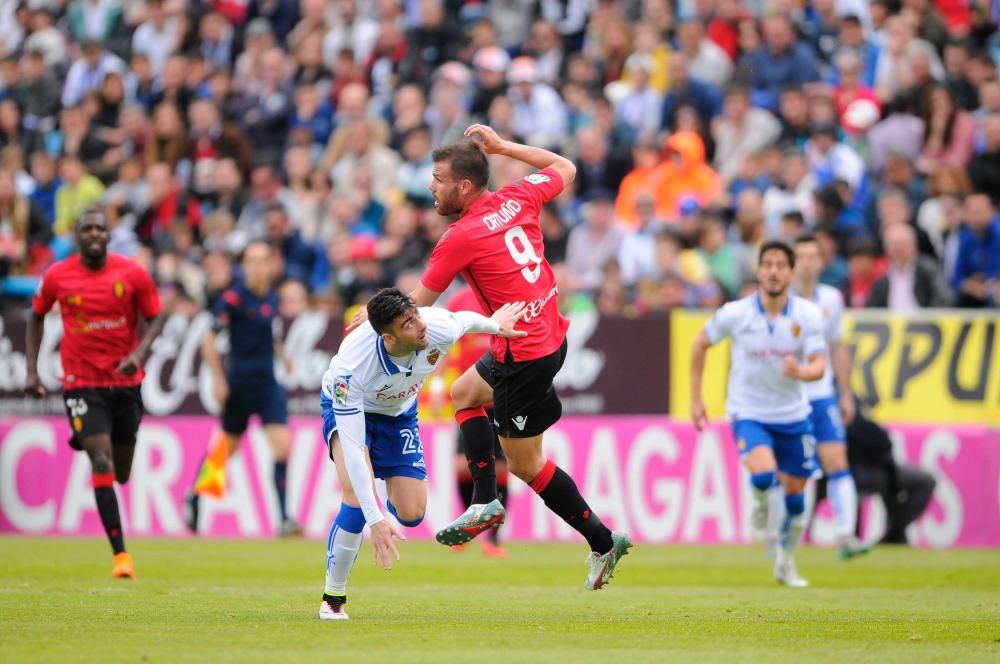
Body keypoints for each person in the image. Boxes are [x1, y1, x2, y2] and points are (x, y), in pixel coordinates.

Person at [348, 125, 631, 591]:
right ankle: (485, 501)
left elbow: (417, 307)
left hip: (526, 354)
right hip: (545, 335)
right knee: (464, 393)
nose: (431, 188)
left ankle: (600, 540)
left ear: (463, 186)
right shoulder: (519, 196)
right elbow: (565, 166)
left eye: (438, 179)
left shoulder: (460, 237)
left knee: (525, 464)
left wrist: (373, 317)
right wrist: (503, 148)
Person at [318, 288, 528, 620]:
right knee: (358, 498)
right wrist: (375, 519)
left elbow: (464, 321)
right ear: (388, 338)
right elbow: (356, 450)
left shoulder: (434, 324)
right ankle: (334, 597)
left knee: (412, 513)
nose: (419, 326)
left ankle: (384, 503)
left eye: (416, 315)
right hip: (349, 410)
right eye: (407, 324)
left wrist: (493, 324)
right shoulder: (351, 367)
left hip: (399, 414)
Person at [24, 208, 164, 578]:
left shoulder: (131, 272)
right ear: (77, 235)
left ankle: (114, 502)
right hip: (81, 382)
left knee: (121, 471)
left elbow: (156, 316)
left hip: (125, 383)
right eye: (87, 229)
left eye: (100, 228)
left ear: (109, 234)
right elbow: (36, 315)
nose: (94, 234)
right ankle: (121, 556)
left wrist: (138, 353)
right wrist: (32, 371)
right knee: (99, 460)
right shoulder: (57, 275)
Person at [690, 240, 826, 588]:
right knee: (764, 476)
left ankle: (786, 562)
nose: (774, 271)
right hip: (748, 412)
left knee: (797, 501)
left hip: (793, 414)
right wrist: (696, 398)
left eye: (782, 265)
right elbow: (700, 343)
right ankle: (761, 504)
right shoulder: (737, 313)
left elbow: (819, 366)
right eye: (768, 264)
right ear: (759, 270)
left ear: (791, 272)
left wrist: (802, 372)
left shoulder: (807, 315)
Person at [184, 241, 301, 537]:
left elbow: (266, 334)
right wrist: (219, 381)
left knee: (282, 447)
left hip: (268, 385)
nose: (259, 266)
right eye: (253, 261)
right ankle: (195, 495)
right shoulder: (233, 299)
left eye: (264, 260)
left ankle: (285, 518)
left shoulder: (271, 297)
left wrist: (284, 358)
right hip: (239, 386)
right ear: (245, 265)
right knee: (226, 451)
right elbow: (207, 342)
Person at [791, 235, 868, 559]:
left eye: (813, 256)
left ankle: (845, 535)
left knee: (838, 461)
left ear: (822, 262)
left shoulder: (833, 299)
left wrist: (845, 393)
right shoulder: (781, 301)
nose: (808, 262)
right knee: (796, 471)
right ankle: (788, 538)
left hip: (822, 395)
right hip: (791, 397)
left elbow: (838, 346)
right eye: (802, 257)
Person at [443, 286, 509, 558]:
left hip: (502, 392)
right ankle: (468, 524)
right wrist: (437, 380)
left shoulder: (506, 293)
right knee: (462, 467)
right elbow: (444, 342)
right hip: (470, 396)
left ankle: (493, 539)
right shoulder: (459, 299)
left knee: (503, 468)